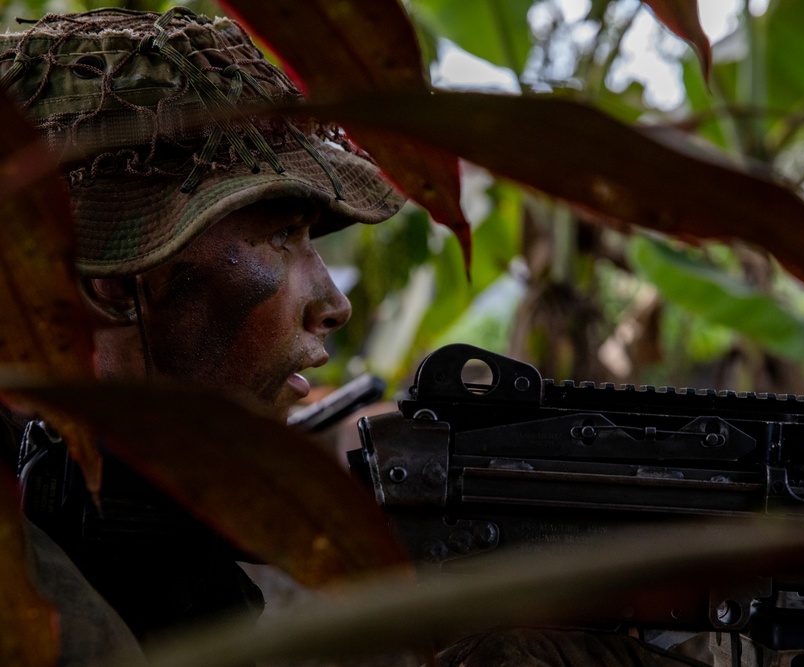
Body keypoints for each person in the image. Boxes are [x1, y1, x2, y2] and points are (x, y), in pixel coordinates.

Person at [3, 7, 683, 666]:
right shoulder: (30, 586)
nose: (334, 302)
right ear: (115, 286)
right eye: (280, 237)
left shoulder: (124, 529)